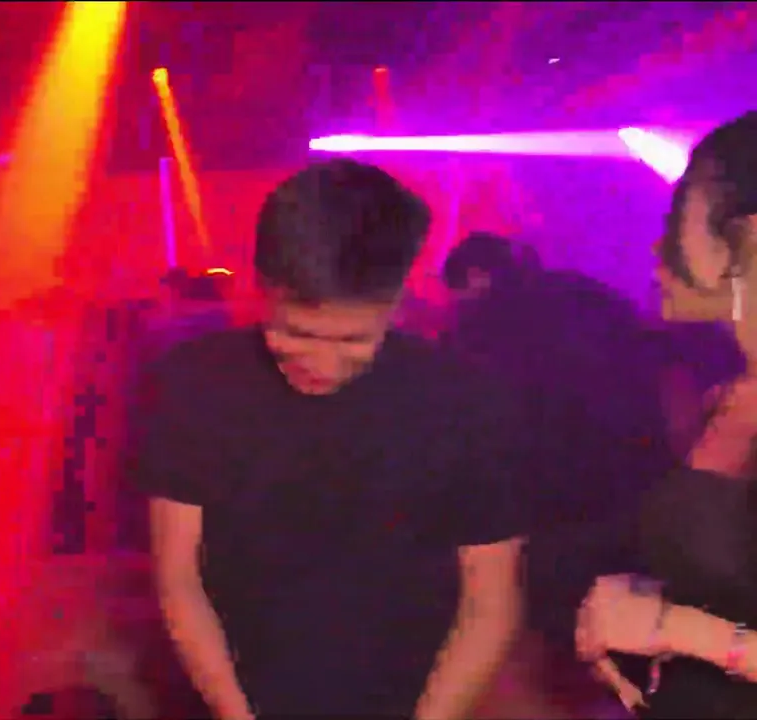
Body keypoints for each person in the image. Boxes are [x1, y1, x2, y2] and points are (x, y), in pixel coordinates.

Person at [132, 159, 526, 717]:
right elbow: (179, 578)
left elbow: (489, 600)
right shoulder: (193, 384)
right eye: (295, 333)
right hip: (227, 696)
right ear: (260, 290)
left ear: (398, 303)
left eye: (352, 341)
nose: (322, 364)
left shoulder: (466, 400)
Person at [575, 112, 757, 717]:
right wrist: (640, 599)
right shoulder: (729, 394)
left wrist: (679, 629)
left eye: (680, 211)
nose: (660, 245)